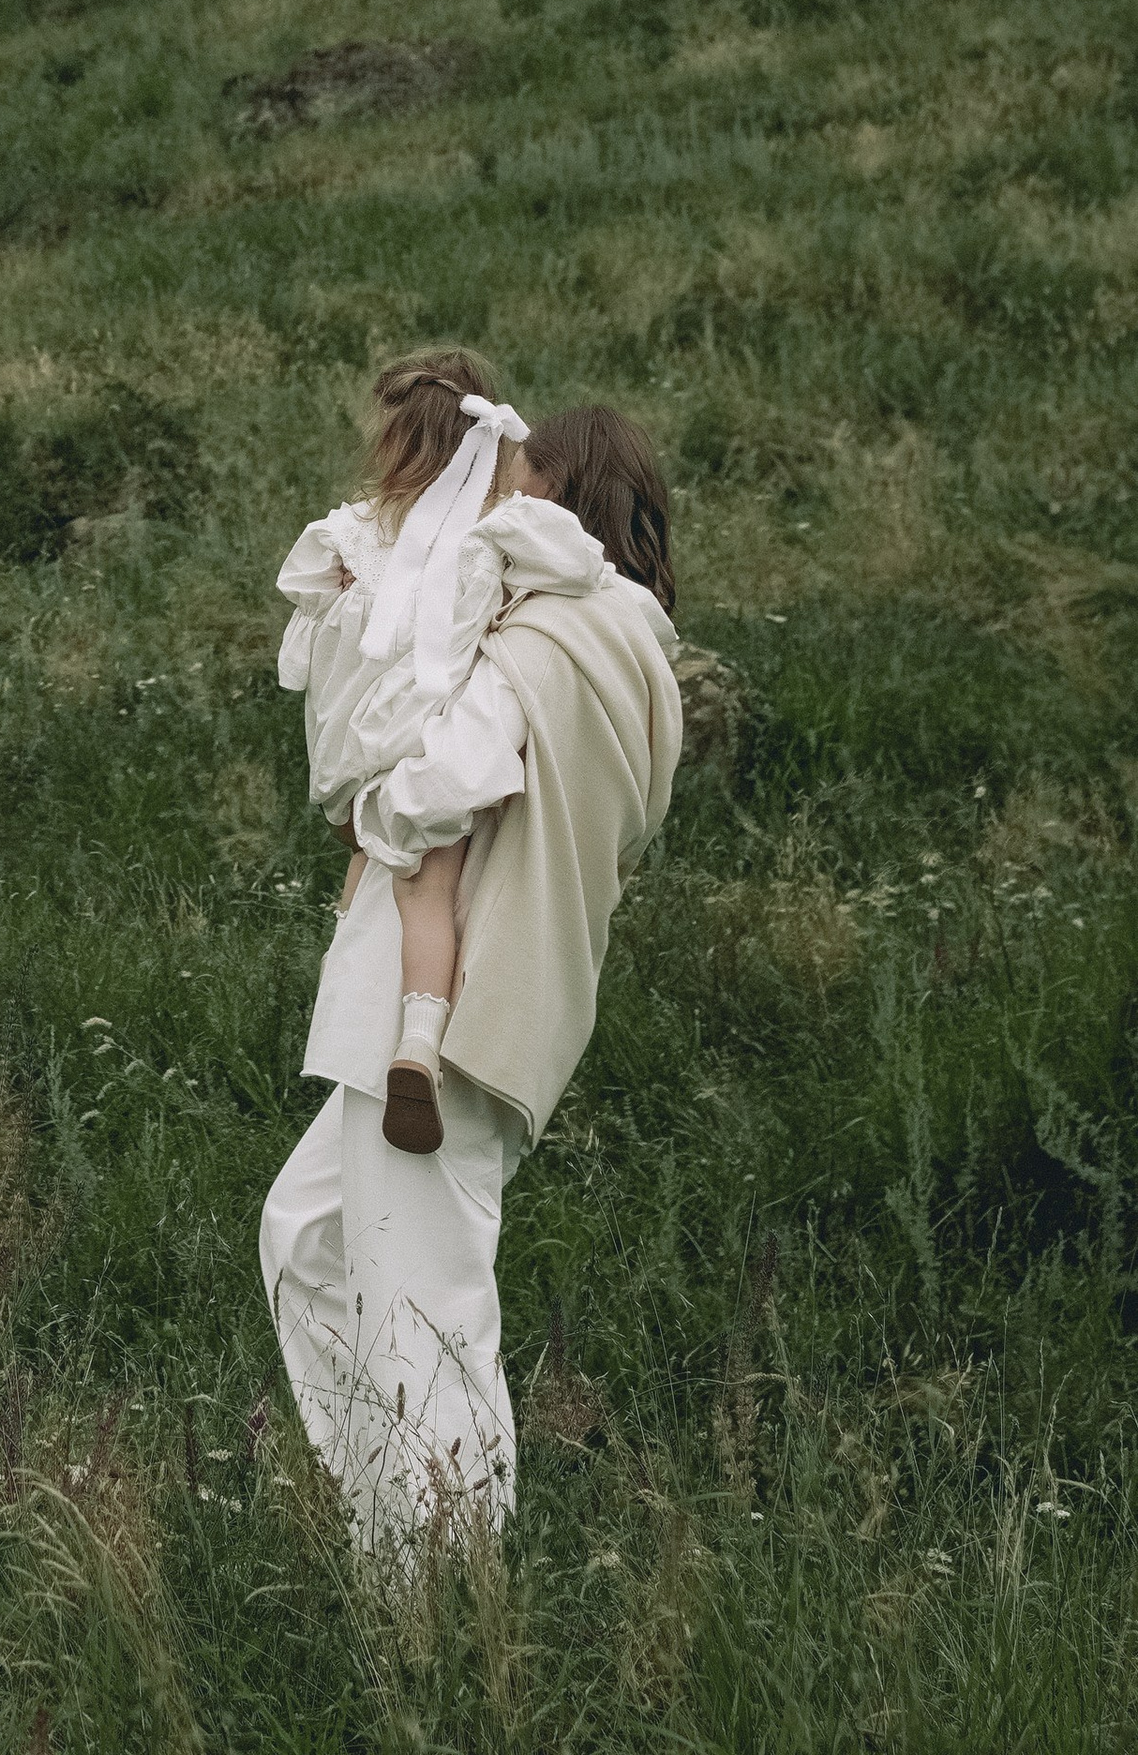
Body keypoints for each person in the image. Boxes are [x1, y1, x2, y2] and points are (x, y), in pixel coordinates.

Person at [259, 380, 683, 1549]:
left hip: (437, 1005)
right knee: (307, 1234)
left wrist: (370, 812)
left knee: (424, 1308)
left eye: (516, 484)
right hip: (494, 999)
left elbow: (445, 780)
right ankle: (381, 1520)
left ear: (554, 497)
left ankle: (434, 1587)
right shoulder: (637, 656)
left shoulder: (550, 638)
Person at [274, 353, 609, 1150]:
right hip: (441, 731)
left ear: (392, 440)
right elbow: (580, 565)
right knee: (431, 886)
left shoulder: (354, 528)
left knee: (367, 867)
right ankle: (419, 1042)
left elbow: (302, 628)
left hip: (359, 741)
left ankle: (350, 1008)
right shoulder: (498, 527)